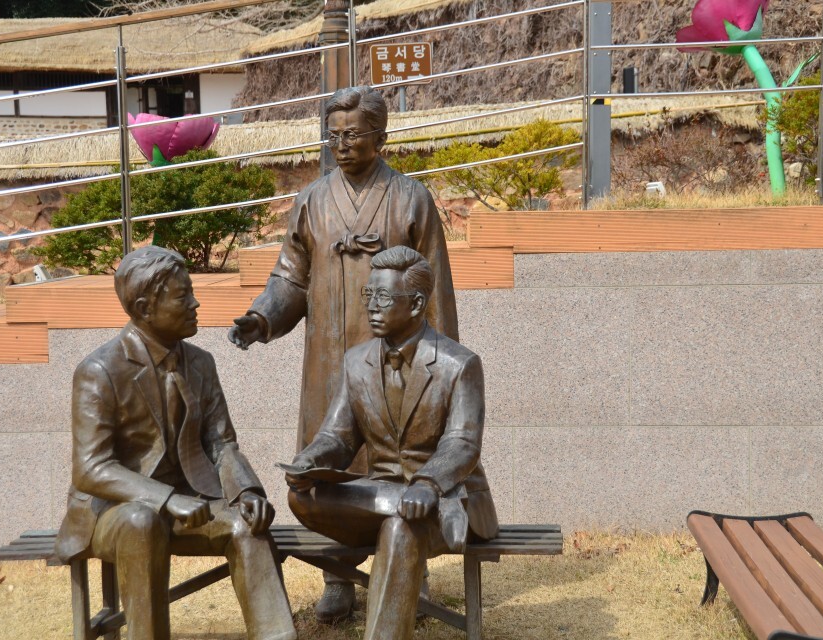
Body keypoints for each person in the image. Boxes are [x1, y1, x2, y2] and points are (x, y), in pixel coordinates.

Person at [229, 85, 459, 620]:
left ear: (381, 136)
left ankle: (409, 569)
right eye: (333, 135)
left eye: (353, 134)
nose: (342, 144)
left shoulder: (411, 198)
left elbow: (436, 292)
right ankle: (337, 575)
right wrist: (262, 317)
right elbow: (290, 277)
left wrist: (440, 366)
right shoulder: (312, 200)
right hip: (328, 360)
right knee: (329, 461)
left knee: (401, 458)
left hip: (399, 360)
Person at [55, 246, 296, 640]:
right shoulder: (99, 371)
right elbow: (90, 469)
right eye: (183, 296)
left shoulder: (201, 363)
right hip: (114, 511)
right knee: (142, 522)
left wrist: (247, 491)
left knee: (247, 526)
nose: (195, 304)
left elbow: (222, 443)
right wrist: (166, 499)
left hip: (190, 501)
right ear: (145, 308)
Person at [285, 246, 498, 640]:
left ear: (416, 304)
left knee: (400, 527)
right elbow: (338, 436)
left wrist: (428, 483)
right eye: (369, 294)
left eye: (383, 297)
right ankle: (394, 503)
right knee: (302, 496)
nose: (371, 306)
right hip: (383, 493)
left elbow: (463, 443)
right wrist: (310, 460)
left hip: (446, 497)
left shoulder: (459, 364)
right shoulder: (356, 362)